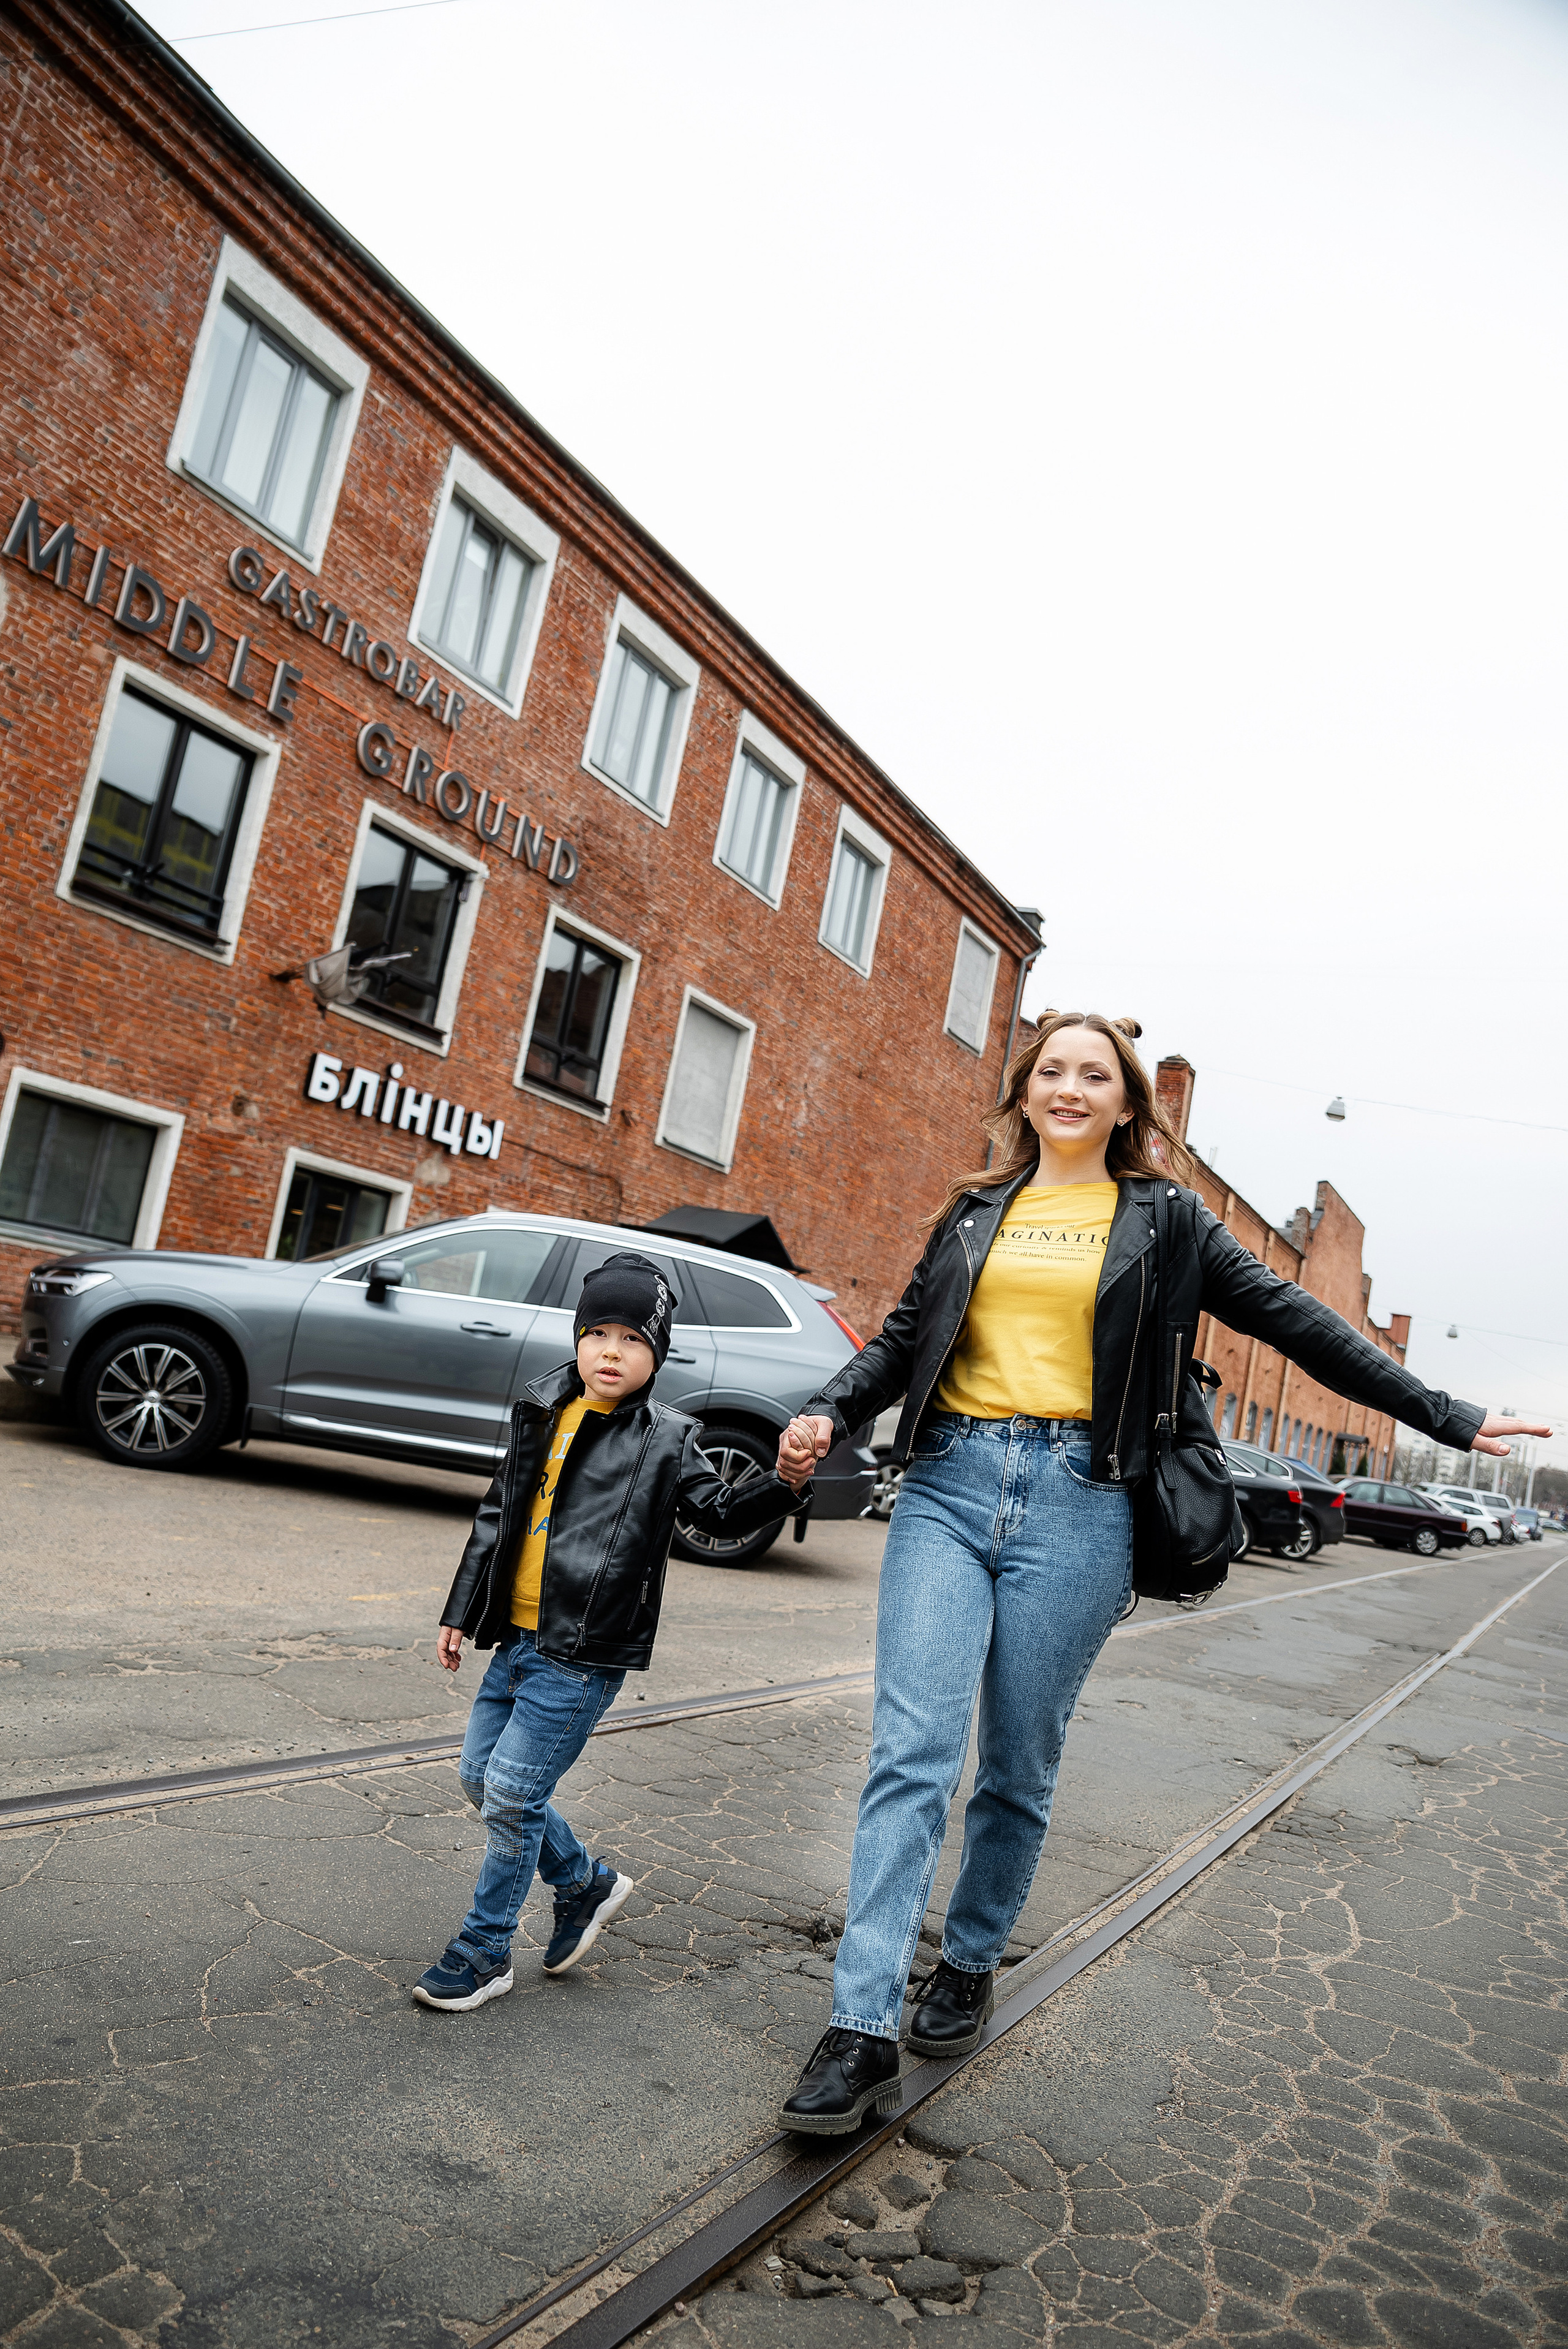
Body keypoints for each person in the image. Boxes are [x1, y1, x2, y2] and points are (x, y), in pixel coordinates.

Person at [771, 1013, 1550, 2131]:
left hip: (1082, 1503)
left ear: (1130, 1101)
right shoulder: (976, 1206)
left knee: (1016, 1764)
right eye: (1053, 1070)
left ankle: (972, 1954)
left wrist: (1448, 1414)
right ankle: (857, 2028)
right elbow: (903, 1337)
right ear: (1025, 1090)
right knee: (910, 1752)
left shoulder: (1170, 1220)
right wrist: (828, 1406)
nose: (1072, 1087)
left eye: (1095, 1073)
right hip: (947, 1482)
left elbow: (1298, 1322)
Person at [415, 1250, 810, 2013]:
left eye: (633, 1339)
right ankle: (584, 1884)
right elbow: (498, 1514)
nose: (610, 1352)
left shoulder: (668, 1438)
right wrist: (461, 1608)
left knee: (509, 1793)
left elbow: (719, 1513)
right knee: (481, 1781)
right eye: (597, 1332)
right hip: (519, 1639)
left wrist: (785, 1481)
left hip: (584, 1654)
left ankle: (484, 1949)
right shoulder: (542, 1407)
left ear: (656, 1354)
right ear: (576, 1338)